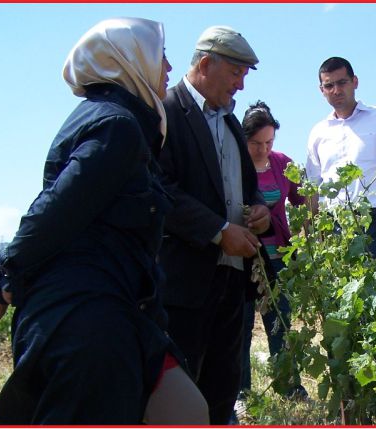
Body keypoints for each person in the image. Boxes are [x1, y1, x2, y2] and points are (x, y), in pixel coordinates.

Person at [0, 18, 207, 424]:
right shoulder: (117, 126)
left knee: (187, 410)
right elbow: (53, 208)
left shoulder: (116, 120)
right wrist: (5, 279)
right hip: (86, 322)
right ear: (130, 58)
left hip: (118, 311)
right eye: (161, 55)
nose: (169, 67)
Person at [158, 25, 271, 425]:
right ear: (205, 64)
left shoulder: (230, 123)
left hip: (231, 279)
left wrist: (260, 211)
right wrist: (219, 231)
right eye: (235, 73)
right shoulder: (167, 112)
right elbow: (159, 188)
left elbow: (249, 187)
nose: (240, 85)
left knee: (222, 387)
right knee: (180, 393)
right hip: (184, 283)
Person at [236, 101, 309, 413]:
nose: (263, 149)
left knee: (280, 322)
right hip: (241, 256)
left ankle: (290, 387)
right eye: (256, 143)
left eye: (269, 142)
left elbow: (305, 197)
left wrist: (307, 235)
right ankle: (241, 393)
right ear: (244, 139)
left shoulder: (282, 163)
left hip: (277, 257)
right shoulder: (233, 164)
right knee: (240, 326)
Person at [306, 56, 376, 258]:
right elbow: (312, 188)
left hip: (375, 225)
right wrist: (315, 236)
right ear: (321, 90)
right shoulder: (318, 133)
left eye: (342, 82)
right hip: (332, 229)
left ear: (355, 82)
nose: (336, 90)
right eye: (329, 85)